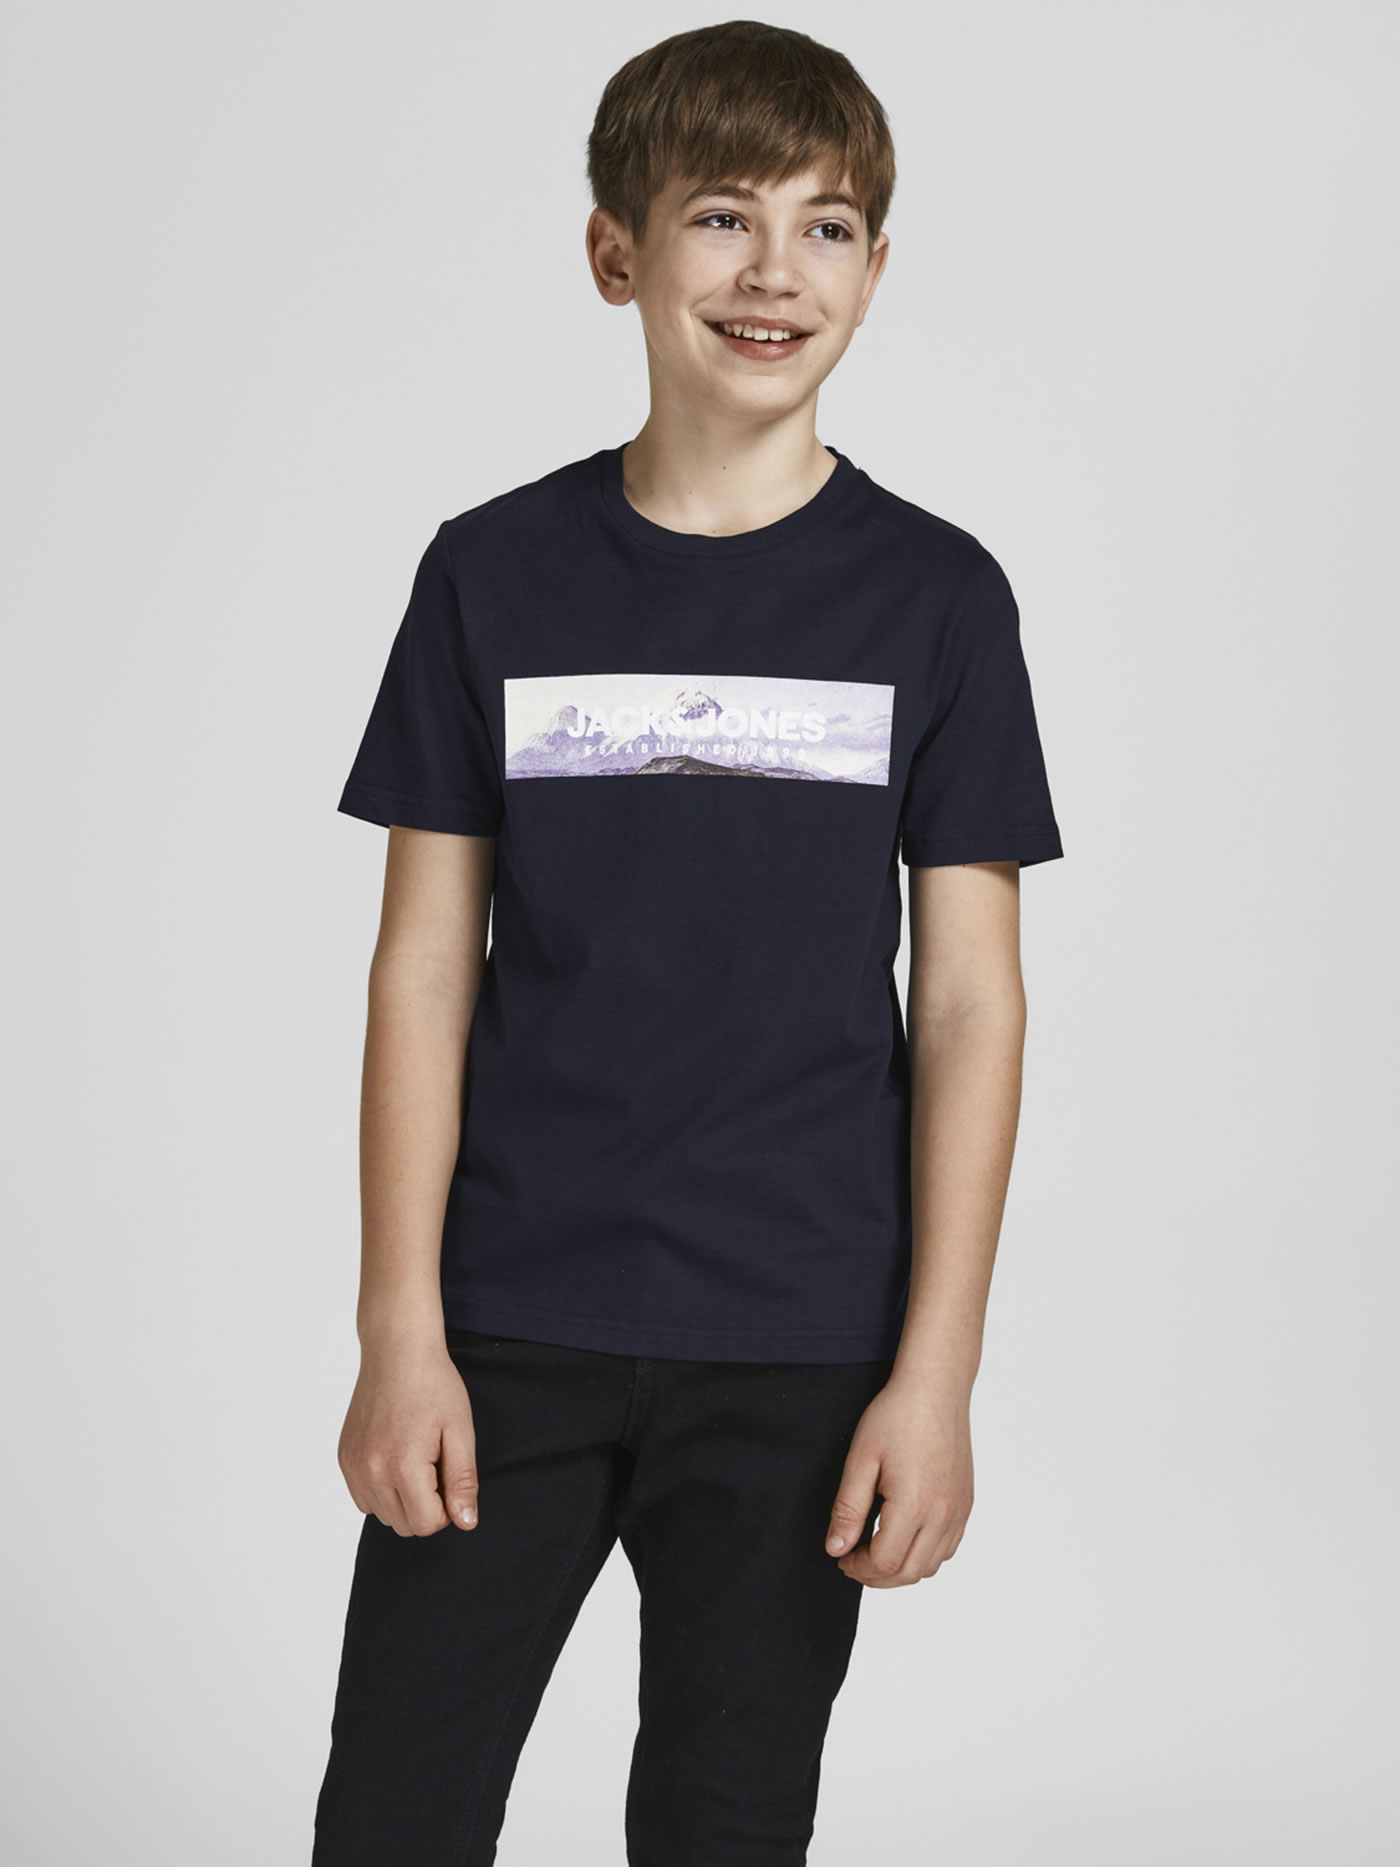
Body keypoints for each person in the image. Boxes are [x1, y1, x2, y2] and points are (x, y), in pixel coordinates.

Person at [312, 19, 1064, 1866]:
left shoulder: (938, 600)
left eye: (827, 227)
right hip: (506, 1326)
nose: (772, 271)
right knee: (396, 1815)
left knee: (726, 1829)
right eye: (723, 215)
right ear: (616, 250)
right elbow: (422, 968)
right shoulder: (491, 573)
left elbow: (971, 1004)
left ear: (875, 270)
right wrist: (399, 1327)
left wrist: (936, 1375)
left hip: (803, 1338)